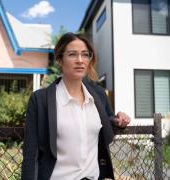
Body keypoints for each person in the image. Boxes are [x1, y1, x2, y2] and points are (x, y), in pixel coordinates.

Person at [21, 32, 130, 180]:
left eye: (85, 54)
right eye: (72, 54)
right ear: (60, 59)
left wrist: (119, 121)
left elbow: (108, 121)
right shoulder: (40, 100)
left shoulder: (98, 95)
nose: (80, 60)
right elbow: (30, 154)